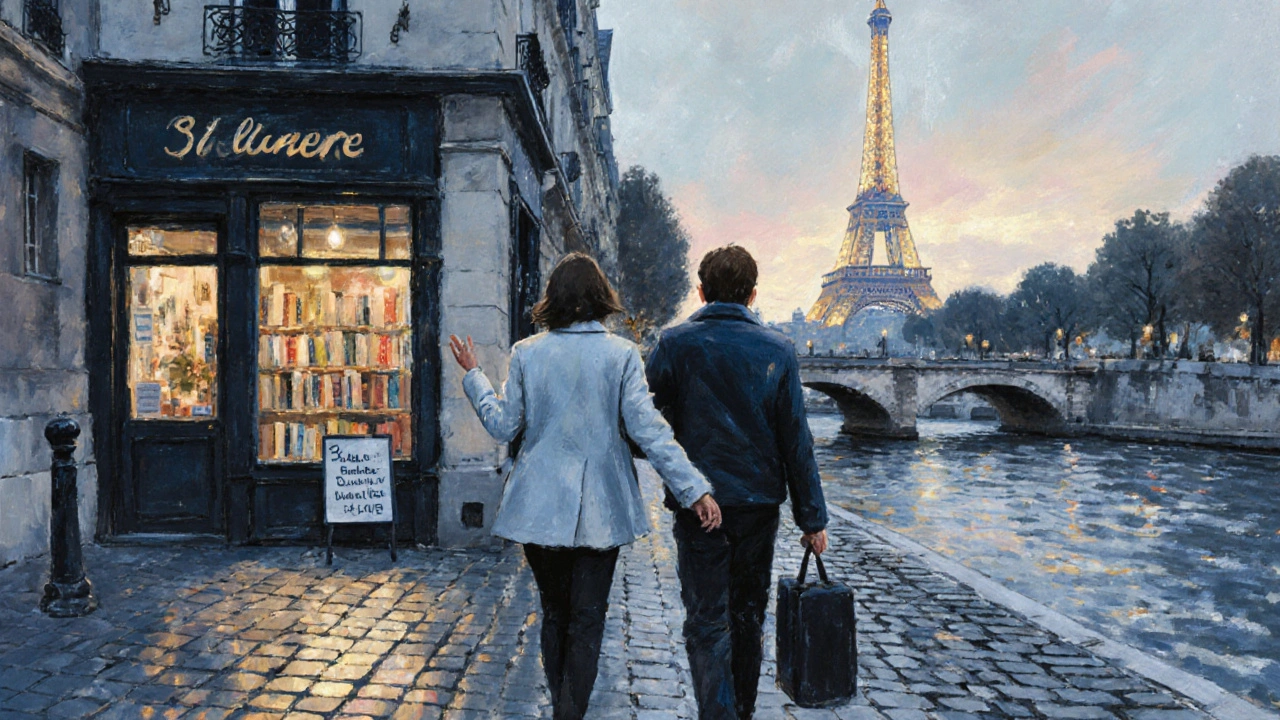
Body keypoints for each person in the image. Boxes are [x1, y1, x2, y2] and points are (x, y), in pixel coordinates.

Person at [448, 252, 722, 720]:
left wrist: (474, 375)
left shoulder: (527, 352)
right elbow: (649, 431)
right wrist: (693, 488)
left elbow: (502, 425)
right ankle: (569, 713)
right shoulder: (621, 355)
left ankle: (564, 709)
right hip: (603, 508)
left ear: (552, 299)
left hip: (539, 506)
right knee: (589, 619)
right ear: (600, 298)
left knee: (555, 613)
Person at [646, 245, 830, 720]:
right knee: (748, 617)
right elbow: (796, 440)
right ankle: (741, 711)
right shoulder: (778, 349)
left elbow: (643, 419)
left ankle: (718, 713)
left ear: (701, 292)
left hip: (697, 503)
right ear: (753, 295)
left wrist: (675, 464)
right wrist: (812, 518)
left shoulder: (674, 344)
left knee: (706, 621)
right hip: (757, 506)